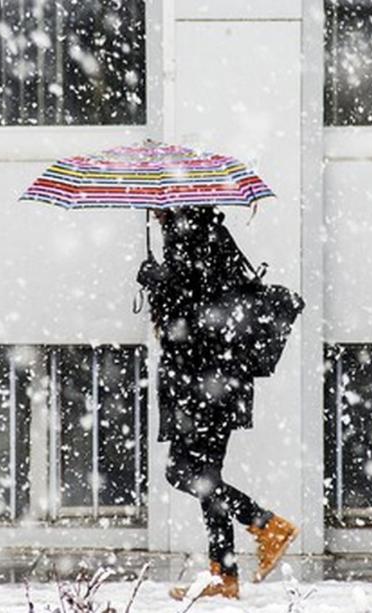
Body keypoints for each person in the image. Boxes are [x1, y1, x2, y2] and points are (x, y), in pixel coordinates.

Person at [136, 205, 298, 601]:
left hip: (206, 380)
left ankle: (266, 525)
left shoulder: (191, 237)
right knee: (206, 474)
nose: (153, 210)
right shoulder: (204, 233)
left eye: (159, 204)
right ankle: (223, 575)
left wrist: (158, 281)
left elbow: (198, 311)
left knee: (182, 471)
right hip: (215, 378)